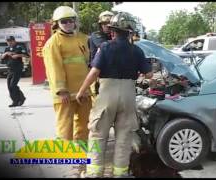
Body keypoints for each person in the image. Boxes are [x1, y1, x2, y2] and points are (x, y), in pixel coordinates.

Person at [76, 12, 153, 178]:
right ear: (130, 32)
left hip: (107, 94)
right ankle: (120, 173)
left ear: (113, 31)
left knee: (98, 134)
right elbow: (149, 75)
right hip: (128, 95)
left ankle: (94, 173)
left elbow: (94, 72)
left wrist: (82, 91)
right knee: (124, 136)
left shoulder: (105, 47)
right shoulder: (137, 50)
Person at [42, 5, 92, 169]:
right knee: (65, 126)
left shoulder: (83, 38)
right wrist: (61, 91)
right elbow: (54, 68)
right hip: (64, 94)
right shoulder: (53, 43)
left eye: (71, 20)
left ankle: (81, 153)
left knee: (84, 124)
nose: (68, 24)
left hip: (83, 91)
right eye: (64, 21)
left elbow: (90, 64)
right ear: (57, 23)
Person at [0, 36, 28, 107]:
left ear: (14, 41)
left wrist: (18, 55)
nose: (9, 43)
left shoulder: (19, 47)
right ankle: (16, 100)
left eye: (11, 41)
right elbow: (2, 57)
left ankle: (20, 99)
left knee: (13, 85)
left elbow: (27, 55)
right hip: (10, 69)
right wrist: (6, 53)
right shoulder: (7, 49)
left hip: (17, 68)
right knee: (9, 86)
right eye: (8, 41)